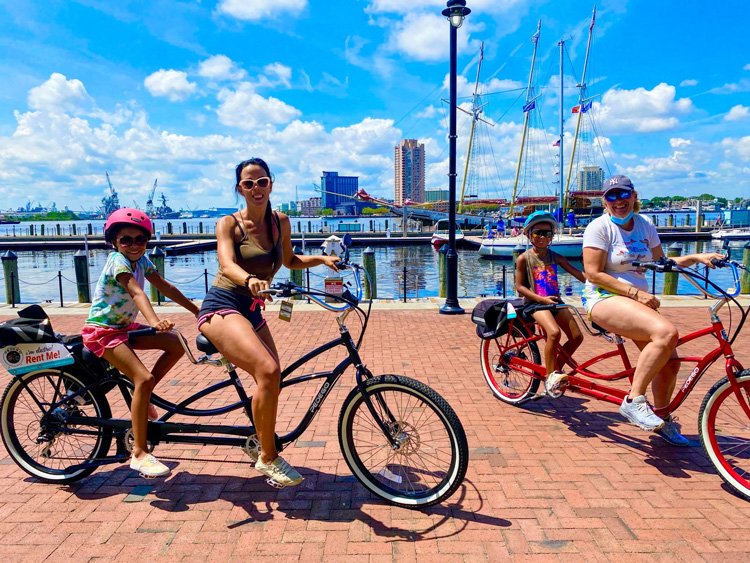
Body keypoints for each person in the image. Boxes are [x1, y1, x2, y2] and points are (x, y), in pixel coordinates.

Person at [197, 157, 339, 488]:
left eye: (262, 182)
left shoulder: (280, 221)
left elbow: (289, 260)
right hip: (222, 305)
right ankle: (268, 456)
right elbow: (227, 263)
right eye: (249, 184)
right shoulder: (228, 224)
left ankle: (262, 440)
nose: (256, 188)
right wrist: (248, 279)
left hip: (251, 308)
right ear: (239, 189)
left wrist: (320, 258)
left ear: (271, 183)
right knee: (268, 371)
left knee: (272, 376)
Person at [582, 175, 725, 445]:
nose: (618, 201)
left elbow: (662, 262)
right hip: (603, 297)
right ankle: (634, 400)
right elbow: (593, 273)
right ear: (605, 201)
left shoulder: (645, 225)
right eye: (611, 196)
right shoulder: (599, 228)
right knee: (667, 333)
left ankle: (662, 419)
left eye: (623, 195)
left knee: (669, 366)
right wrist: (636, 292)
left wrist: (697, 257)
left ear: (634, 196)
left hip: (636, 302)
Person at [82, 208, 200, 477]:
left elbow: (164, 286)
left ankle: (143, 398)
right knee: (143, 378)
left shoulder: (143, 261)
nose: (134, 245)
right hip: (103, 331)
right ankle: (139, 452)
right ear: (114, 242)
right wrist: (155, 320)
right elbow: (136, 292)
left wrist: (196, 309)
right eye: (126, 240)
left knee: (175, 344)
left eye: (140, 240)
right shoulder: (117, 262)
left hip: (124, 327)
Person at [515, 211, 586, 396]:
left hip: (554, 301)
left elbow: (578, 274)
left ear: (552, 236)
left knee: (577, 336)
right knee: (554, 333)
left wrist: (600, 285)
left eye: (547, 234)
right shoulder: (524, 258)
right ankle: (550, 376)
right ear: (529, 235)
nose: (542, 237)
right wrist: (541, 299)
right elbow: (519, 287)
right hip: (535, 304)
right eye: (538, 233)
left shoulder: (556, 257)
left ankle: (555, 370)